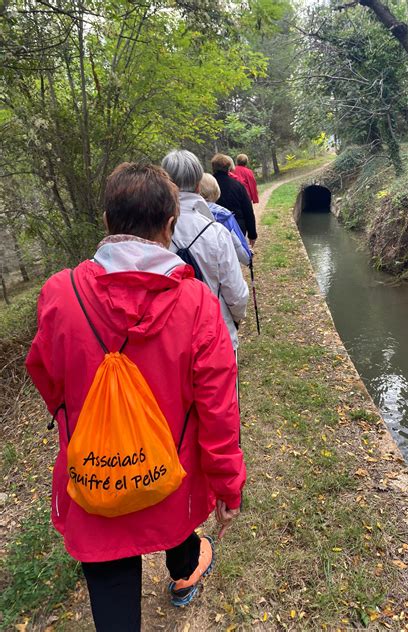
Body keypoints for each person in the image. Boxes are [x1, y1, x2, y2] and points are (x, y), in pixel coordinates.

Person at [26, 163, 245, 630]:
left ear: (106, 222)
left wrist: (82, 417)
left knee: (109, 583)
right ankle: (184, 574)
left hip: (95, 478)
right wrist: (228, 483)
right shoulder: (198, 304)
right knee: (176, 517)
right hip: (170, 479)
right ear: (170, 225)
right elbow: (218, 408)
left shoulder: (59, 295)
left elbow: (45, 375)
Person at [162, 150, 248, 351]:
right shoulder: (216, 232)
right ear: (199, 186)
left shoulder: (152, 233)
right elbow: (236, 294)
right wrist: (234, 319)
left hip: (172, 345)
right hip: (218, 337)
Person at [199, 172, 251, 267]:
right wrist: (248, 257)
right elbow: (239, 245)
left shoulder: (184, 213)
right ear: (216, 190)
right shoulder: (222, 214)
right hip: (224, 266)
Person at [211, 153, 257, 247]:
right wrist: (252, 234)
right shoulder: (237, 185)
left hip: (214, 231)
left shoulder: (207, 185)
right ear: (229, 167)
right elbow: (248, 211)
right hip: (237, 228)